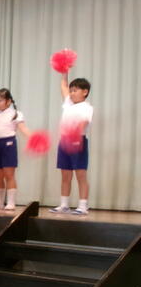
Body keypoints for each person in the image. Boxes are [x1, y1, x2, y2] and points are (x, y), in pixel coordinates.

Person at [50, 75, 93, 215]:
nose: (72, 93)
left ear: (85, 92)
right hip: (64, 142)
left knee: (81, 175)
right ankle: (64, 205)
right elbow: (63, 85)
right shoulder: (68, 103)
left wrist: (75, 133)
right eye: (71, 90)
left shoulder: (87, 107)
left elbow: (84, 122)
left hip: (78, 141)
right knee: (65, 175)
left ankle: (83, 206)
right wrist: (64, 72)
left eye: (75, 90)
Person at [0, 88, 32, 211]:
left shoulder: (16, 113)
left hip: (8, 144)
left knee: (9, 174)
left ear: (9, 101)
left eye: (0, 100)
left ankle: (11, 202)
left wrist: (33, 138)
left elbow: (23, 129)